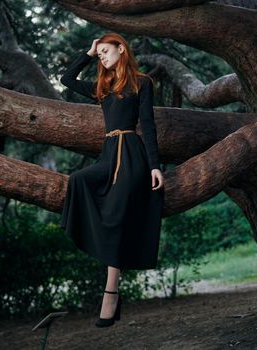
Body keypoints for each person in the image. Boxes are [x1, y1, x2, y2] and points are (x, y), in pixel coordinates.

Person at [59, 33, 165, 327]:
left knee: (117, 215)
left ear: (121, 49)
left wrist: (155, 166)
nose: (103, 57)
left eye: (106, 51)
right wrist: (89, 52)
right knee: (78, 180)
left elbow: (148, 125)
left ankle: (111, 292)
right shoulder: (102, 87)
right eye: (100, 53)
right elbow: (66, 79)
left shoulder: (142, 83)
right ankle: (107, 280)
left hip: (132, 156)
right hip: (107, 155)